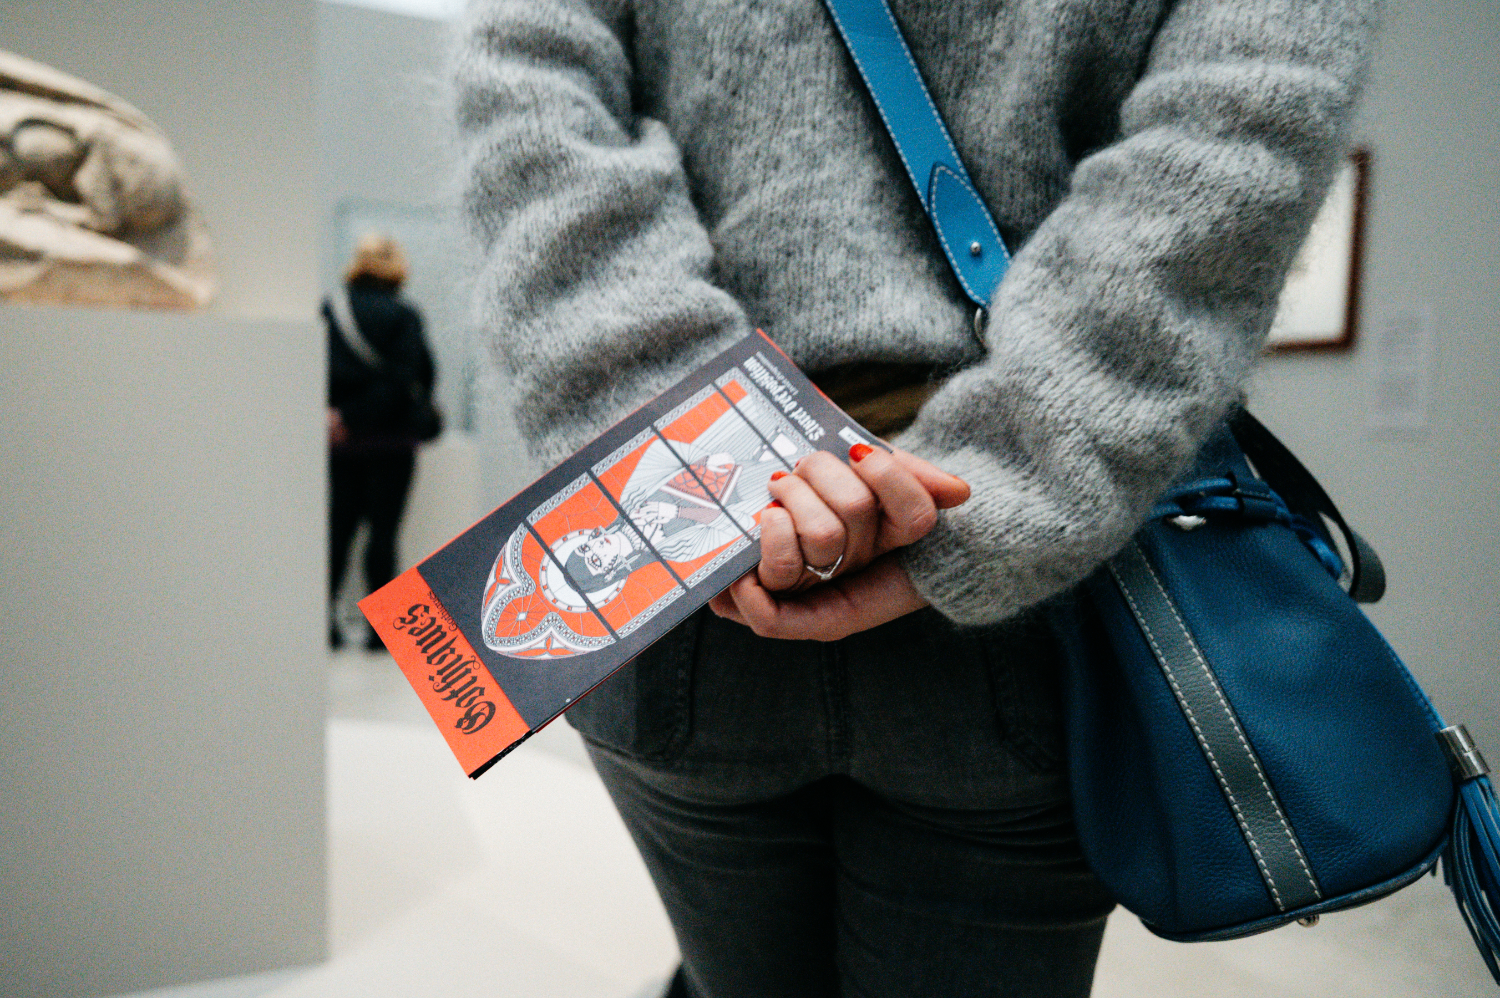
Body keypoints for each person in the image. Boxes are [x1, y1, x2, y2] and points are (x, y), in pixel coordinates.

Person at [453, 0, 1377, 994]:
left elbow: (530, 97)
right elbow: (1238, 129)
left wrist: (692, 450)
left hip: (686, 580)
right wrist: (1020, 468)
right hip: (1015, 602)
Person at [326, 233, 439, 651]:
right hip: (392, 443)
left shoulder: (331, 310)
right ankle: (379, 633)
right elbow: (413, 378)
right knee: (384, 535)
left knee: (337, 533)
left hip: (341, 442)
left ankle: (326, 625)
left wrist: (342, 417)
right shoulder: (404, 315)